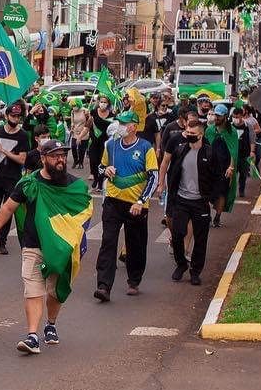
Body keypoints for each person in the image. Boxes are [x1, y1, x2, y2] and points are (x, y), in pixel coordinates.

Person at [0, 139, 88, 352]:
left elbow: (83, 215)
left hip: (62, 249)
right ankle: (32, 335)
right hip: (33, 245)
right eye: (54, 155)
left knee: (55, 290)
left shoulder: (75, 187)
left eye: (62, 155)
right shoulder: (28, 183)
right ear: (43, 159)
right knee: (32, 289)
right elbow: (7, 209)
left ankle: (50, 324)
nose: (60, 159)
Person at [93, 111, 158, 301]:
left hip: (135, 204)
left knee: (135, 243)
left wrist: (141, 201)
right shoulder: (111, 145)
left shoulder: (146, 148)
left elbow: (153, 178)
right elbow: (100, 167)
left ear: (133, 127)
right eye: (119, 123)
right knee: (108, 241)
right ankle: (104, 285)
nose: (120, 126)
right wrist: (106, 170)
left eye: (124, 123)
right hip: (113, 201)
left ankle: (134, 279)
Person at [162, 118, 219, 285]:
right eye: (187, 132)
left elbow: (217, 177)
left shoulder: (209, 153)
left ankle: (195, 271)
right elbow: (173, 174)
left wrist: (210, 198)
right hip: (181, 200)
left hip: (200, 202)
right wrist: (168, 193)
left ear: (200, 135)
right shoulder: (180, 151)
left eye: (192, 134)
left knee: (201, 239)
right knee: (177, 234)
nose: (188, 136)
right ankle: (181, 264)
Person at [0, 103, 31, 254]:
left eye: (18, 116)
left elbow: (22, 159)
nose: (15, 119)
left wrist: (4, 151)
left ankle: (1, 242)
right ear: (6, 116)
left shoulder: (22, 135)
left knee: (7, 209)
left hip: (12, 177)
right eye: (13, 116)